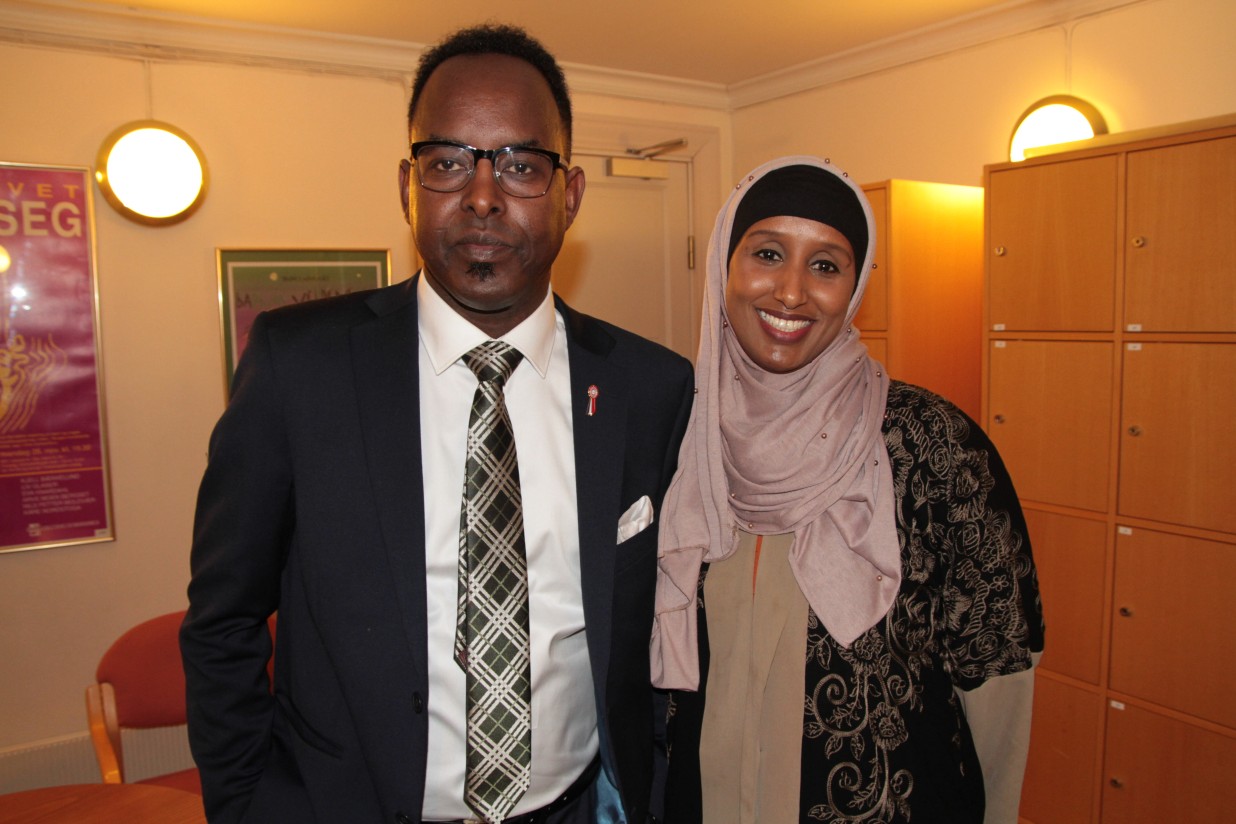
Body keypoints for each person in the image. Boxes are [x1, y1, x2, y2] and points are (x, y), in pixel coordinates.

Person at [181, 23, 693, 824]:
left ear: (570, 194)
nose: (482, 196)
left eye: (520, 164)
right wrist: (247, 805)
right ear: (406, 187)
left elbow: (664, 630)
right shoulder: (300, 368)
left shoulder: (649, 387)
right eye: (448, 162)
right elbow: (224, 619)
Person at [652, 156, 1044, 823]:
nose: (791, 292)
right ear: (724, 264)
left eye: (825, 265)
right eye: (767, 254)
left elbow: (996, 666)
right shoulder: (676, 439)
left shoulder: (931, 444)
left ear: (856, 286)